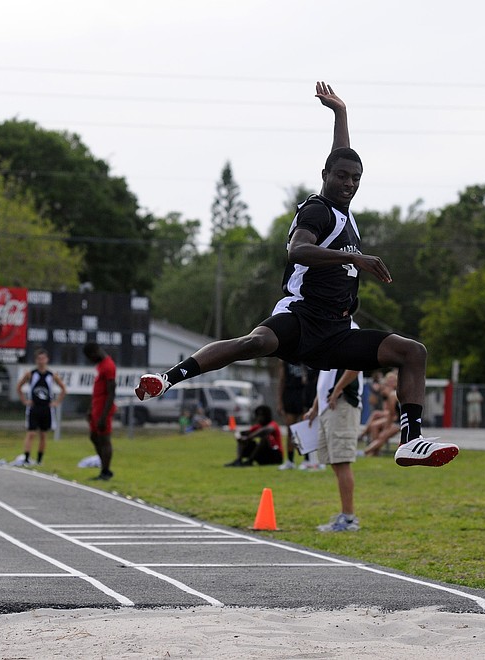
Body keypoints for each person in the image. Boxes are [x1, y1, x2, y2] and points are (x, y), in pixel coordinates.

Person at [135, 81, 458, 469]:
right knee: (253, 343)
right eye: (342, 177)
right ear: (325, 174)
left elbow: (343, 155)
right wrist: (353, 260)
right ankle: (168, 378)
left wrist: (340, 113)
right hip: (301, 318)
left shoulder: (345, 212)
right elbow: (298, 250)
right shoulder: (317, 211)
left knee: (412, 352)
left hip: (337, 332)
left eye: (356, 178)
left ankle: (411, 441)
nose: (349, 184)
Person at [306, 366, 363, 532]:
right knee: (335, 462)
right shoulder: (330, 345)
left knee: (342, 461)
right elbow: (325, 381)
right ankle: (345, 515)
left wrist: (338, 389)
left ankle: (349, 518)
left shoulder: (347, 341)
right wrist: (315, 407)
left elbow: (355, 366)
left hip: (341, 404)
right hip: (328, 406)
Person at [15, 348, 67, 465]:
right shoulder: (30, 374)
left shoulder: (52, 375)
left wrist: (56, 402)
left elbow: (63, 389)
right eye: (39, 359)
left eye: (43, 358)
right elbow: (19, 387)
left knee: (43, 434)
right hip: (34, 407)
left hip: (46, 408)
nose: (41, 361)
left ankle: (39, 459)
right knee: (31, 433)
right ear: (36, 360)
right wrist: (24, 400)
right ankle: (27, 458)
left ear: (47, 360)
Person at [83, 342, 117, 481]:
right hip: (96, 407)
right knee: (94, 437)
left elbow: (111, 393)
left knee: (104, 439)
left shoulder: (109, 366)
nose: (90, 361)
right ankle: (103, 466)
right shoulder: (100, 365)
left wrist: (103, 416)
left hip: (104, 409)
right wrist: (91, 409)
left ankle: (106, 471)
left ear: (94, 353)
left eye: (89, 357)